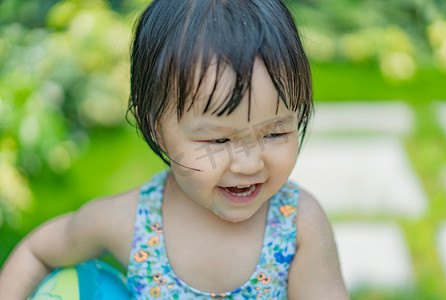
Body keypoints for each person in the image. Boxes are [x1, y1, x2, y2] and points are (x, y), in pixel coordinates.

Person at [0, 0, 349, 299]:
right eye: (218, 140)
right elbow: (37, 252)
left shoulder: (297, 226)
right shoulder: (128, 223)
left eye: (275, 133)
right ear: (156, 128)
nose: (247, 164)